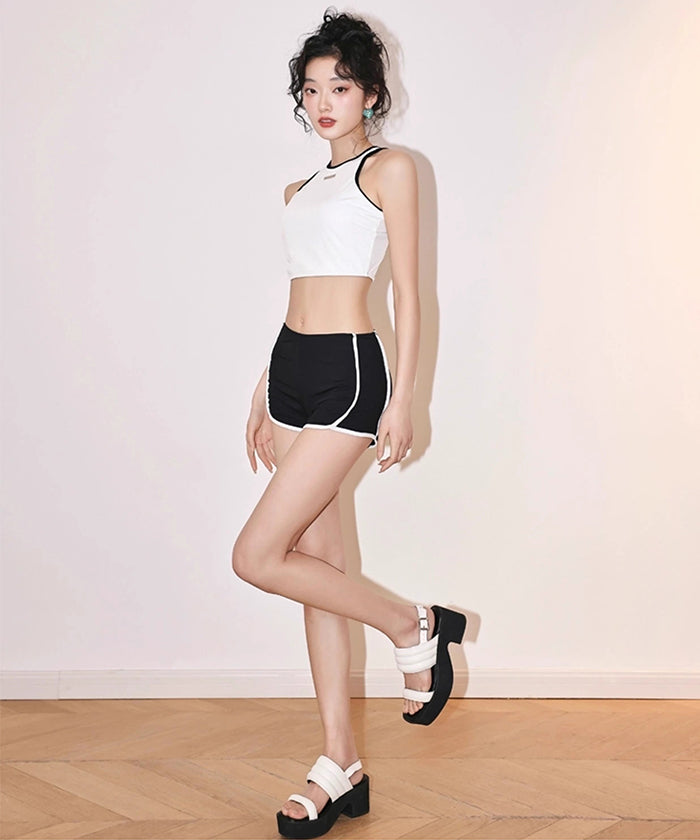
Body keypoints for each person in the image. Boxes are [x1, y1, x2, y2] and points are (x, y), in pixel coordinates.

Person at [231, 9, 467, 838]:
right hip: (291, 374)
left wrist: (405, 396)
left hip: (349, 376)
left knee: (257, 557)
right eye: (312, 89)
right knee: (316, 570)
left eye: (340, 86)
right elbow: (300, 287)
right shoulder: (299, 191)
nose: (324, 101)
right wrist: (264, 385)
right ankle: (341, 765)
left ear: (370, 92)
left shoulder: (390, 169)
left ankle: (413, 624)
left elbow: (410, 289)